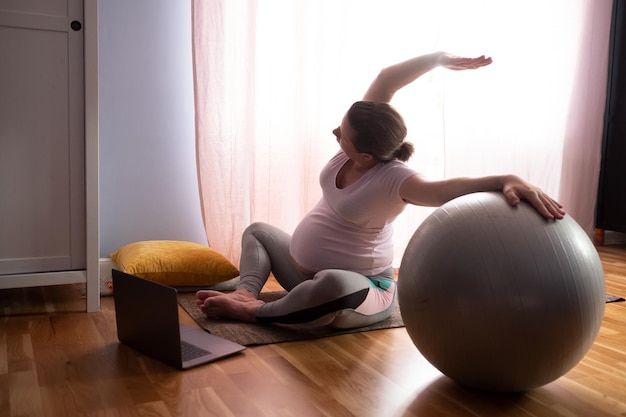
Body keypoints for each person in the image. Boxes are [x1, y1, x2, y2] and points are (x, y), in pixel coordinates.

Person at [196, 51, 565, 329]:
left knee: (333, 284)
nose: (335, 133)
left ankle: (254, 311)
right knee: (258, 231)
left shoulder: (394, 179)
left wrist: (506, 179)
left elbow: (444, 191)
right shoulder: (362, 137)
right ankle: (246, 291)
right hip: (301, 275)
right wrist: (439, 59)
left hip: (360, 290)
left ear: (369, 154)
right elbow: (387, 79)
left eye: (343, 134)